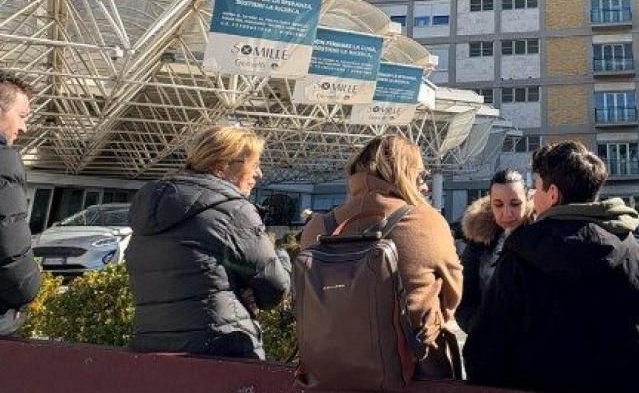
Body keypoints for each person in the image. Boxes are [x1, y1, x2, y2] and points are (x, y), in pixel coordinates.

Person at [464, 141, 639, 393]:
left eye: (536, 186)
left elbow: (485, 353)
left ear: (552, 194)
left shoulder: (519, 258)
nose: (534, 194)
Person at [299, 134, 462, 377]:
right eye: (421, 176)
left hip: (331, 370)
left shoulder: (318, 227)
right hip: (412, 369)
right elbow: (452, 294)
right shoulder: (426, 221)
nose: (425, 186)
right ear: (402, 174)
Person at [126, 125, 291, 359]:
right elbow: (275, 288)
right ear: (223, 165)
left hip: (149, 350)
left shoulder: (150, 209)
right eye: (253, 165)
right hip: (220, 350)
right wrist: (282, 256)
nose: (259, 174)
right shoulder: (232, 210)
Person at [456, 169, 535, 333]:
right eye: (498, 205)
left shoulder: (541, 235)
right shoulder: (480, 239)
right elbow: (465, 299)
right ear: (490, 203)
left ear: (527, 201)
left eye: (515, 204)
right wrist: (482, 328)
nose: (507, 213)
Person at [0, 73, 41, 335]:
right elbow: (8, 244)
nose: (24, 127)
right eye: (22, 116)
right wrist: (29, 286)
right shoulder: (4, 163)